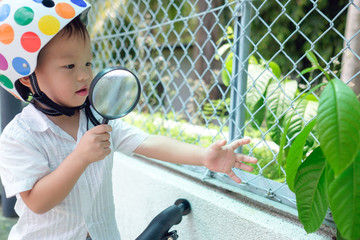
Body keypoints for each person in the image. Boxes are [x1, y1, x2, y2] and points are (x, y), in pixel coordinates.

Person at [0, 1, 258, 239]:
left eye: (88, 63)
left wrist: (204, 157)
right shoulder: (20, 136)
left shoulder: (97, 118)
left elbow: (146, 141)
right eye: (70, 66)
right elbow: (37, 201)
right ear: (27, 77)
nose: (84, 75)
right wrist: (79, 157)